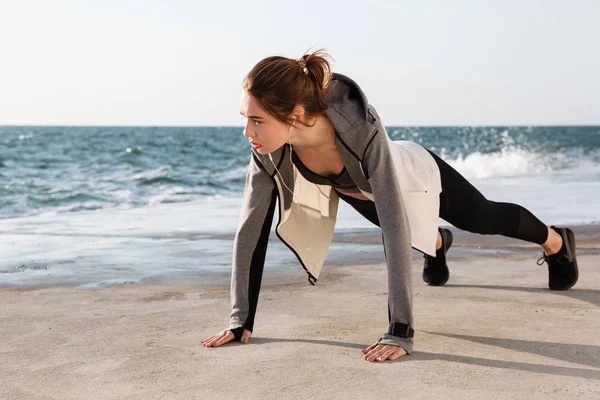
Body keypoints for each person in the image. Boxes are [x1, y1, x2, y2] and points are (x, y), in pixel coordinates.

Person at [201, 49, 578, 362]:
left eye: (256, 120)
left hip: (413, 176)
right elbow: (250, 228)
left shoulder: (359, 128)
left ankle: (557, 242)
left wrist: (400, 331)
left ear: (295, 115)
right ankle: (437, 243)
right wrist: (240, 321)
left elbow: (395, 219)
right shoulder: (266, 149)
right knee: (415, 234)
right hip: (360, 193)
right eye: (244, 118)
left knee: (482, 216)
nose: (247, 132)